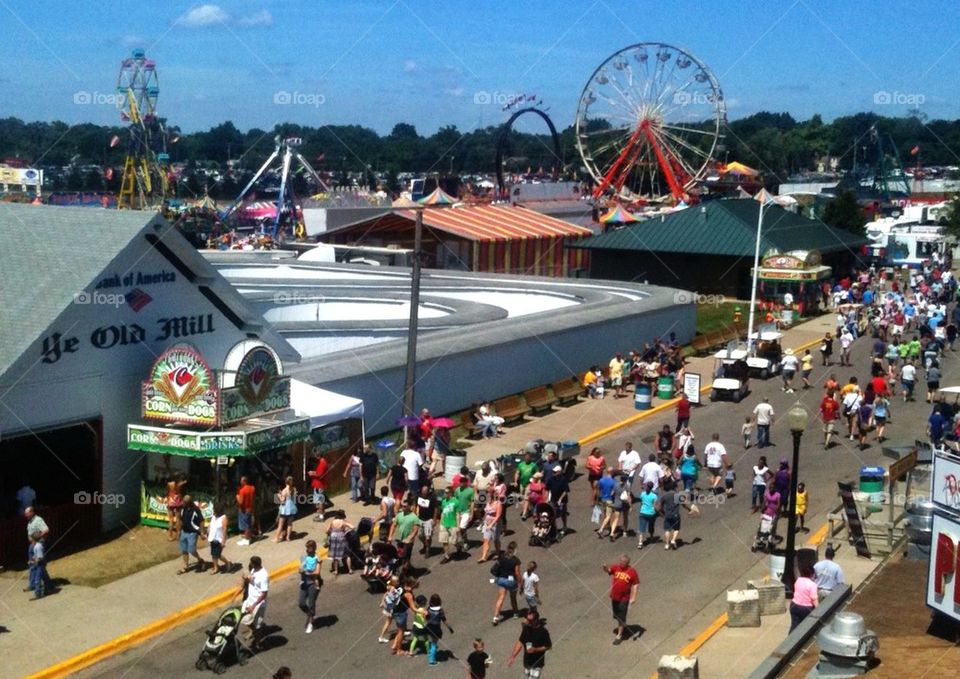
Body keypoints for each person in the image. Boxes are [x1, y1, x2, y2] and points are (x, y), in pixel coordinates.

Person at [603, 554, 639, 645]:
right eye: (621, 562)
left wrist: (633, 597)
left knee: (621, 617)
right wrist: (605, 568)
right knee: (616, 615)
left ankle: (619, 635)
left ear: (628, 563)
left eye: (624, 563)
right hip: (615, 596)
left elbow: (635, 584)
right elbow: (609, 571)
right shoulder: (616, 567)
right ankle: (623, 625)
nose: (621, 564)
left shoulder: (632, 571)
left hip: (624, 598)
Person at [237, 555, 269, 652]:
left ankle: (258, 643)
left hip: (258, 604)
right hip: (249, 601)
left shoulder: (263, 576)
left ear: (254, 564)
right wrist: (247, 579)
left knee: (257, 625)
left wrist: (254, 605)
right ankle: (255, 631)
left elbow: (264, 593)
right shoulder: (253, 570)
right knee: (245, 619)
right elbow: (253, 582)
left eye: (251, 563)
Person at [506, 610, 552, 675]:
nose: (525, 621)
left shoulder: (543, 632)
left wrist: (535, 649)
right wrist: (513, 656)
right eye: (526, 619)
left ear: (535, 620)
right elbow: (520, 642)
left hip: (537, 664)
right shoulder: (526, 628)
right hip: (527, 662)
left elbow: (548, 646)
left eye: (528, 620)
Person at [657, 477, 696, 550]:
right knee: (676, 529)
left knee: (667, 530)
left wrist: (662, 513)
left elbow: (659, 507)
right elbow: (684, 504)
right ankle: (673, 540)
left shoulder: (664, 496)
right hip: (676, 515)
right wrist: (689, 509)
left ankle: (667, 544)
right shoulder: (677, 495)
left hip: (667, 515)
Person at [492, 541, 521, 625]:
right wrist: (520, 582)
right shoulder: (515, 560)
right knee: (513, 597)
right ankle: (515, 613)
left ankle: (495, 617)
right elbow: (517, 573)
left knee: (500, 598)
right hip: (511, 580)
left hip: (501, 579)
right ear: (515, 549)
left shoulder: (502, 556)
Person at [388, 499, 422, 569]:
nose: (403, 508)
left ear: (409, 506)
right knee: (398, 555)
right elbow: (393, 525)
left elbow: (415, 531)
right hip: (399, 540)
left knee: (406, 558)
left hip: (408, 542)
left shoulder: (414, 517)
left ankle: (406, 572)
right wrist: (390, 536)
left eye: (405, 506)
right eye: (402, 506)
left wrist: (409, 539)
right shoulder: (399, 515)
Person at [298, 540, 323, 634]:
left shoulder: (318, 558)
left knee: (311, 603)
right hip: (304, 582)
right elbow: (300, 568)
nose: (308, 550)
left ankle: (311, 623)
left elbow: (317, 572)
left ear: (314, 548)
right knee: (301, 603)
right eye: (307, 548)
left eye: (310, 548)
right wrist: (301, 569)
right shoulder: (303, 557)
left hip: (313, 582)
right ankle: (311, 614)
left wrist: (307, 572)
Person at [177, 495, 206, 574]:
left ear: (189, 503)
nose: (183, 503)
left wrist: (202, 532)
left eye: (185, 502)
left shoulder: (196, 510)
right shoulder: (183, 509)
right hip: (184, 532)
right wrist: (179, 531)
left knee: (192, 550)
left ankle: (200, 560)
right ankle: (185, 567)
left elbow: (201, 521)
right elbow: (180, 519)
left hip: (192, 533)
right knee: (184, 550)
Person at [390, 577, 419, 656]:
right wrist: (422, 612)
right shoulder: (408, 594)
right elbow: (413, 608)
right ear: (412, 585)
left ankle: (394, 646)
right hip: (401, 613)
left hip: (394, 610)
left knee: (400, 630)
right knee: (401, 632)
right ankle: (399, 650)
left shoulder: (400, 587)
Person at [789, 564, 819, 632]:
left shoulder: (798, 580)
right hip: (806, 609)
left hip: (794, 606)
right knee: (806, 627)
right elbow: (814, 599)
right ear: (812, 574)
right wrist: (818, 610)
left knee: (794, 625)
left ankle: (790, 640)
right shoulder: (813, 585)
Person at [477, 491, 503, 563]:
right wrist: (483, 522)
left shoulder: (498, 504)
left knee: (495, 540)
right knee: (486, 540)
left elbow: (498, 516)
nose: (487, 499)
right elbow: (486, 513)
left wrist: (492, 524)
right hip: (487, 524)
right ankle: (483, 557)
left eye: (488, 497)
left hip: (495, 524)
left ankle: (498, 553)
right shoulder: (488, 503)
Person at [545, 464, 570, 536]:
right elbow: (547, 489)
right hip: (553, 499)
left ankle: (564, 527)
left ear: (559, 472)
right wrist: (547, 498)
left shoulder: (563, 480)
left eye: (555, 472)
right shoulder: (551, 479)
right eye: (553, 471)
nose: (553, 473)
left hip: (562, 500)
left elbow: (566, 491)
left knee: (563, 514)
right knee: (553, 514)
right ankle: (554, 529)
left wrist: (560, 499)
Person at [425, 593, 450, 666]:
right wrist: (449, 627)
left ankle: (431, 654)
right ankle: (431, 660)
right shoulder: (440, 610)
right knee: (434, 644)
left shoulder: (429, 608)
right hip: (436, 628)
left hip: (430, 626)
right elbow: (444, 620)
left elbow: (426, 617)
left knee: (432, 642)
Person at [26, 531, 52, 599]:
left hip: (40, 565)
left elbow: (40, 557)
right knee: (45, 576)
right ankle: (50, 588)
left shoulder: (38, 546)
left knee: (37, 579)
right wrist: (32, 560)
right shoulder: (36, 546)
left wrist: (33, 562)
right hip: (38, 564)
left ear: (34, 540)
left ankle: (38, 594)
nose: (30, 541)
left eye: (31, 539)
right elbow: (36, 555)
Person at [207, 503, 232, 574]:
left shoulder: (224, 517)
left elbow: (224, 529)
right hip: (212, 538)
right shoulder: (213, 517)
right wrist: (208, 532)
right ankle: (215, 567)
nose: (214, 511)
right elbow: (210, 525)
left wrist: (223, 541)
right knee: (213, 554)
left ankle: (227, 563)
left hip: (219, 539)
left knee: (217, 554)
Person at [415, 484, 439, 557]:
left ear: (428, 492)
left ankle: (428, 549)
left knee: (428, 536)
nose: (423, 495)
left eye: (425, 493)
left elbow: (436, 509)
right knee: (419, 535)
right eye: (422, 493)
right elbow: (415, 505)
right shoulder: (418, 496)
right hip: (420, 518)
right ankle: (425, 545)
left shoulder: (432, 498)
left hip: (429, 519)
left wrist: (434, 519)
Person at [438, 486, 460, 564]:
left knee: (453, 541)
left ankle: (458, 547)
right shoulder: (443, 501)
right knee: (444, 541)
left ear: (451, 493)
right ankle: (447, 556)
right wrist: (441, 523)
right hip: (444, 523)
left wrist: (458, 526)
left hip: (452, 524)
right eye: (445, 492)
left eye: (447, 492)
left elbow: (457, 514)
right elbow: (442, 513)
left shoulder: (456, 502)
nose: (445, 494)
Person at [454, 475, 476, 554]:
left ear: (466, 483)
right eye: (460, 483)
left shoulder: (470, 491)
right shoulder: (457, 490)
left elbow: (472, 502)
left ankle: (465, 542)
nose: (461, 484)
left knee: (462, 527)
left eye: (462, 483)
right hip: (458, 512)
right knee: (460, 529)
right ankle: (464, 541)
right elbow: (455, 500)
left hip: (466, 511)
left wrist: (471, 513)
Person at [307, 452, 329, 522]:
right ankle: (321, 513)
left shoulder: (322, 463)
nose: (315, 458)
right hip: (318, 483)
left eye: (316, 457)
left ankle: (321, 516)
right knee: (320, 500)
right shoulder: (322, 462)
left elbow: (319, 474)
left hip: (319, 484)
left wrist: (312, 473)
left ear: (319, 456)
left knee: (320, 501)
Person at [636, 482, 658, 549]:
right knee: (651, 525)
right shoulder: (654, 496)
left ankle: (640, 542)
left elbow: (641, 501)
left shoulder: (642, 494)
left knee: (641, 528)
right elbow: (655, 506)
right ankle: (651, 537)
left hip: (643, 512)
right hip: (651, 513)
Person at [274, 476, 297, 543]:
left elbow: (282, 501)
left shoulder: (284, 490)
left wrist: (279, 495)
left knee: (280, 524)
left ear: (285, 482)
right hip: (291, 508)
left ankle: (276, 538)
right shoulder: (294, 489)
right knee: (290, 524)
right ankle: (288, 537)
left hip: (285, 509)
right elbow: (294, 499)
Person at [165, 473, 187, 541]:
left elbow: (167, 491)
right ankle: (178, 536)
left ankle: (170, 536)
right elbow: (185, 482)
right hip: (178, 502)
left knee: (171, 520)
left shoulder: (170, 484)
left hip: (171, 501)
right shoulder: (180, 484)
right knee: (178, 519)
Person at [236, 476, 256, 546]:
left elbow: (241, 502)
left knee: (246, 525)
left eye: (241, 481)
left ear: (244, 481)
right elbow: (253, 498)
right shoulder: (252, 488)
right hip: (250, 508)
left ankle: (246, 540)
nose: (240, 482)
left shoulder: (242, 490)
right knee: (249, 524)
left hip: (244, 509)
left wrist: (237, 497)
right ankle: (248, 537)